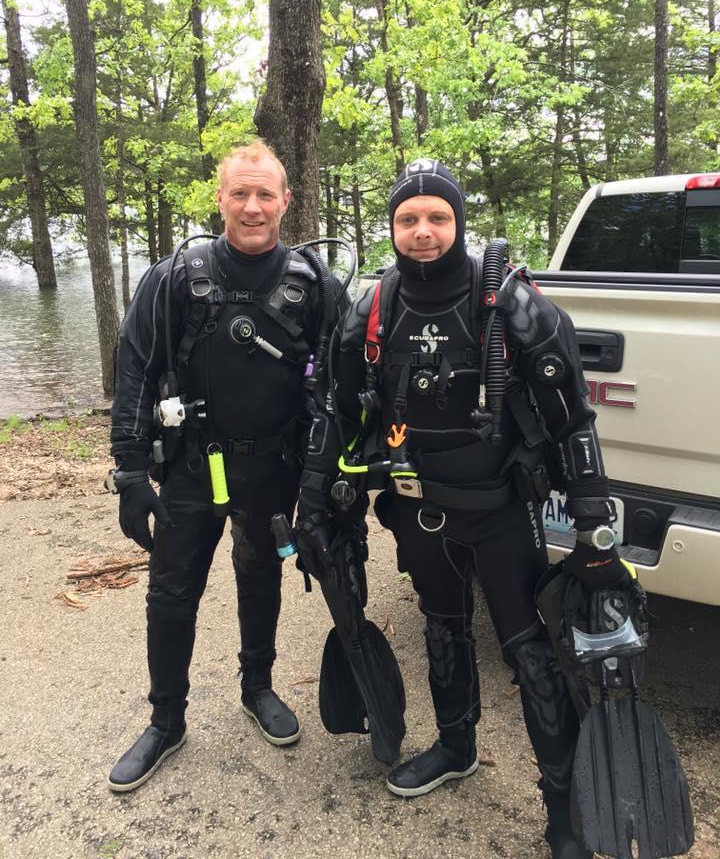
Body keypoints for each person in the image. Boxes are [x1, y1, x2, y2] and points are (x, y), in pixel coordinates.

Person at [294, 159, 629, 858]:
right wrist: (317, 495)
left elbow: (572, 419)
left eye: (437, 217)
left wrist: (595, 521)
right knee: (441, 627)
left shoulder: (511, 304)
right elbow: (338, 409)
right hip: (418, 510)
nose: (422, 231)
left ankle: (565, 811)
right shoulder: (372, 308)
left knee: (531, 653)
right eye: (408, 219)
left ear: (459, 222)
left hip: (503, 510)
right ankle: (455, 747)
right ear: (392, 227)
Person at [107, 141, 343, 792]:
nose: (252, 206)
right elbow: (134, 367)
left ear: (285, 202)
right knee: (170, 594)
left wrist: (333, 479)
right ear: (221, 199)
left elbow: (348, 380)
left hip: (273, 468)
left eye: (265, 194)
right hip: (189, 468)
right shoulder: (175, 278)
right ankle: (165, 721)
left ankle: (258, 686)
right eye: (240, 193)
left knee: (260, 574)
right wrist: (128, 471)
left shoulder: (314, 285)